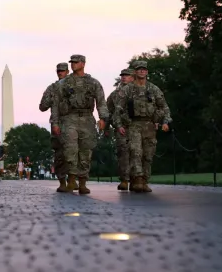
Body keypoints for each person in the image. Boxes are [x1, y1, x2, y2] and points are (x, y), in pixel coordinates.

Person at [50, 54, 110, 195]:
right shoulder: (63, 83)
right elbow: (56, 104)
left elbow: (101, 102)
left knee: (86, 151)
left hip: (87, 119)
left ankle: (82, 182)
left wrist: (103, 118)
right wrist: (55, 123)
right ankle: (71, 178)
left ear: (83, 63)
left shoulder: (93, 82)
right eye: (72, 62)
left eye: (76, 62)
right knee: (70, 149)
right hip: (69, 119)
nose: (73, 64)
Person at [113, 60, 172, 193]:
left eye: (144, 69)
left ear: (147, 72)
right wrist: (118, 125)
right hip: (133, 125)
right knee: (135, 152)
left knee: (148, 154)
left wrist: (166, 122)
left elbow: (164, 106)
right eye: (139, 69)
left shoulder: (153, 89)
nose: (142, 71)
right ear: (135, 72)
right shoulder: (128, 89)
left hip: (150, 125)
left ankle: (144, 180)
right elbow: (118, 108)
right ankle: (138, 179)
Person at [40, 62, 73, 192]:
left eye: (63, 71)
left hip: (72, 122)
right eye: (58, 71)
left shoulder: (74, 86)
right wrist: (50, 98)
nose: (60, 73)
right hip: (57, 124)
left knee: (73, 152)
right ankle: (62, 181)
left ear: (67, 72)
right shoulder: (52, 88)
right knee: (59, 154)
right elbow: (42, 106)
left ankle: (72, 179)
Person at [106, 68, 134, 191]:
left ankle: (137, 179)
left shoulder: (139, 91)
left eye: (127, 75)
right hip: (121, 126)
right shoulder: (114, 94)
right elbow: (108, 111)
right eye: (122, 75)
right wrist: (107, 126)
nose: (124, 77)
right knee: (123, 153)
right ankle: (124, 179)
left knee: (137, 153)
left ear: (132, 77)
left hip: (137, 126)